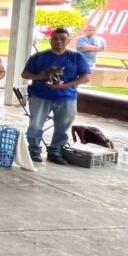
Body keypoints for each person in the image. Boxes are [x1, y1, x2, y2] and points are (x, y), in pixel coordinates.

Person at [21, 28, 91, 164]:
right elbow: (25, 74)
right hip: (40, 95)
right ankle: (34, 150)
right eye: (55, 38)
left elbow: (85, 77)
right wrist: (40, 76)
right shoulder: (38, 57)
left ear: (68, 41)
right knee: (35, 125)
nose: (59, 41)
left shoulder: (76, 57)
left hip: (67, 97)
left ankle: (55, 151)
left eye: (63, 39)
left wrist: (65, 85)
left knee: (63, 127)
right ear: (50, 40)